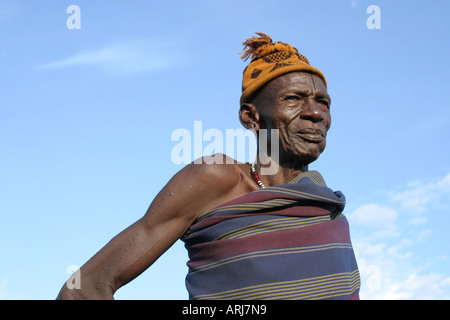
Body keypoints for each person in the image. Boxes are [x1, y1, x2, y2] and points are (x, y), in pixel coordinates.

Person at [56, 32, 360, 300]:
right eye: (294, 98)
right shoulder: (217, 179)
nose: (315, 113)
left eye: (324, 102)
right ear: (251, 118)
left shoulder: (325, 207)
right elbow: (83, 289)